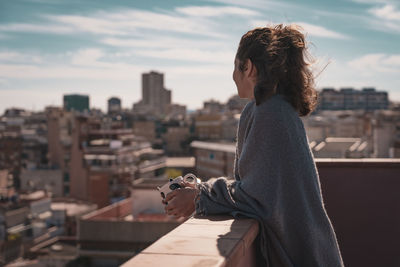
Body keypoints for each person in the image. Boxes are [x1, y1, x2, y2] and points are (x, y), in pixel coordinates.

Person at [163, 24, 344, 267]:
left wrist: (199, 197)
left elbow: (257, 197)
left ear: (247, 67)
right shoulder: (277, 108)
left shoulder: (268, 111)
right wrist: (200, 190)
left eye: (234, 66)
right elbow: (262, 189)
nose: (232, 75)